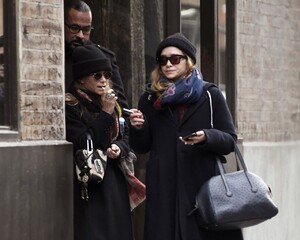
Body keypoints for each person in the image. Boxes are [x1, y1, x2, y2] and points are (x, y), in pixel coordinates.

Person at [128, 33, 244, 240]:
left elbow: (229, 140)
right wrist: (138, 128)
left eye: (174, 59)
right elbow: (142, 146)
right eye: (162, 60)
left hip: (203, 188)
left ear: (188, 61)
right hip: (165, 189)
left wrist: (207, 137)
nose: (168, 64)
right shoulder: (149, 99)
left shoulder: (210, 95)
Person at [65, 44, 135, 240]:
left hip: (115, 180)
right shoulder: (72, 104)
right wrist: (105, 113)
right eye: (97, 76)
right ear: (81, 78)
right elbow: (82, 140)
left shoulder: (113, 102)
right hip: (90, 181)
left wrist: (118, 148)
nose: (104, 80)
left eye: (107, 75)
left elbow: (125, 136)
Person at [64, 0, 128, 109]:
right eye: (74, 28)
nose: (80, 35)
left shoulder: (104, 57)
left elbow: (120, 104)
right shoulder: (56, 59)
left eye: (86, 29)